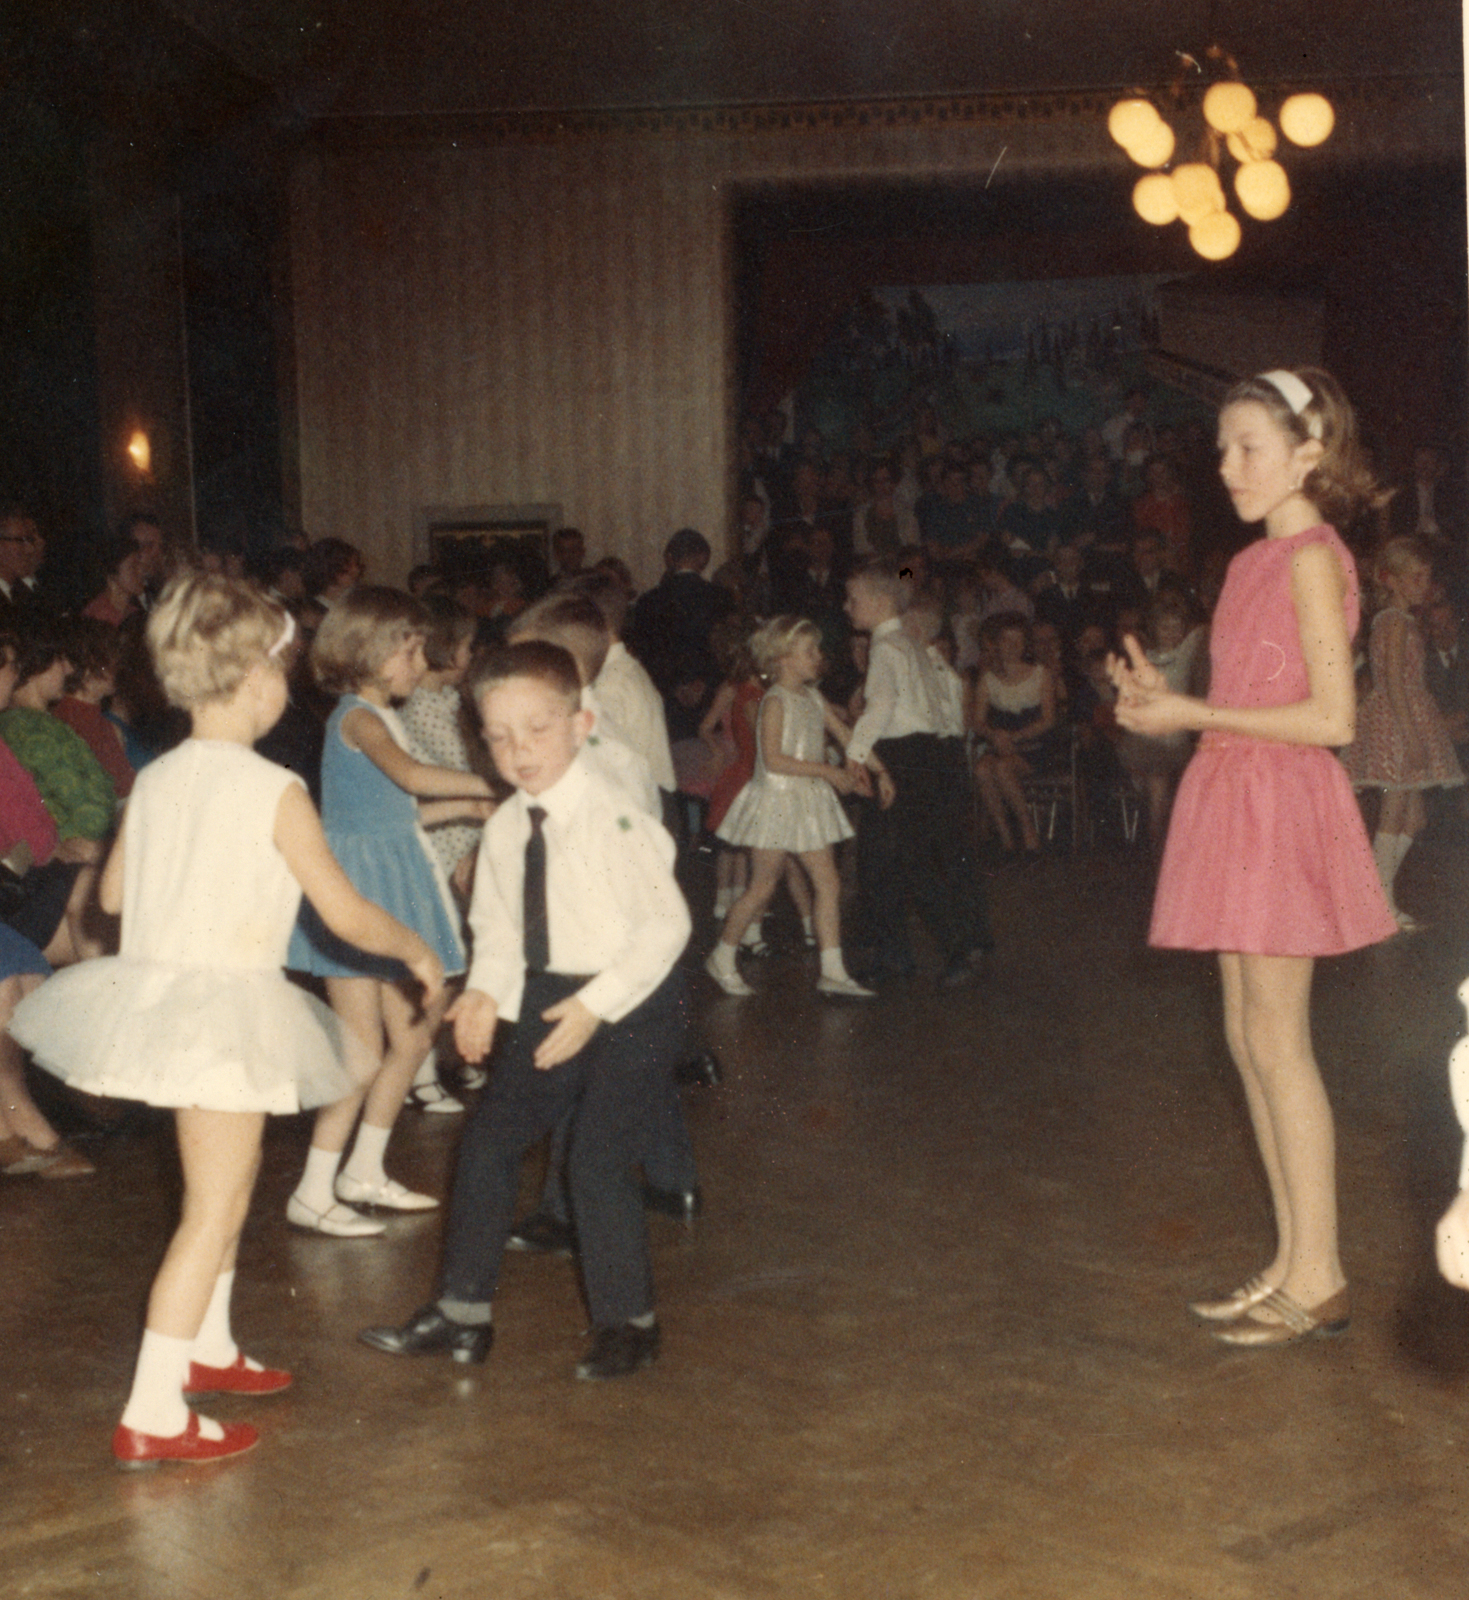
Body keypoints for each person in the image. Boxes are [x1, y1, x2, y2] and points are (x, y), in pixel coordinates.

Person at [8, 574, 444, 1466]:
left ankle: (209, 1346)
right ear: (255, 679)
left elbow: (118, 895)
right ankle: (155, 1410)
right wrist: (414, 948)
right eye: (282, 669)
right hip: (225, 1013)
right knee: (208, 1212)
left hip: (167, 1007)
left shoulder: (159, 778)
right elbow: (343, 913)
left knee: (227, 1192)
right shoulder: (273, 790)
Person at [1111, 367, 1397, 1347]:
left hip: (1280, 802)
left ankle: (1319, 1273)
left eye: (1248, 448)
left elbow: (1329, 717)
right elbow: (1247, 688)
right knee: (1245, 1039)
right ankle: (1286, 1261)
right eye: (1222, 447)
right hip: (1234, 793)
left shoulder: (1313, 556)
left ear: (1307, 453)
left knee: (1280, 1044)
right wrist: (1164, 696)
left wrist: (1190, 710)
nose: (1226, 466)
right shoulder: (1244, 564)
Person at [359, 640, 691, 1380]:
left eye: (537, 730)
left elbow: (666, 928)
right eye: (499, 736)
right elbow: (502, 929)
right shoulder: (509, 824)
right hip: (549, 994)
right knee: (489, 1143)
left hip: (631, 999)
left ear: (581, 723)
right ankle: (461, 1311)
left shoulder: (612, 816)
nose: (518, 751)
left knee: (596, 1158)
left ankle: (629, 1322)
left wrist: (594, 1006)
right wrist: (483, 992)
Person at [285, 588, 493, 1237]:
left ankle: (363, 1170)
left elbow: (395, 819)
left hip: (391, 877)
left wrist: (465, 809)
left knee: (409, 1038)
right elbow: (410, 777)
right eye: (408, 648)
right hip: (359, 897)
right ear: (373, 653)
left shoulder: (380, 713)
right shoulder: (357, 717)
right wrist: (490, 784)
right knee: (361, 1052)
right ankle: (314, 1189)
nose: (418, 658)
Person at [705, 616, 877, 999]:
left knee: (828, 881)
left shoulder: (811, 696)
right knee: (763, 886)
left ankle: (833, 970)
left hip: (807, 800)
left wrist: (870, 766)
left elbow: (845, 734)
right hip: (778, 800)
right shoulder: (774, 701)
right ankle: (722, 955)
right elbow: (774, 759)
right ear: (782, 658)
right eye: (810, 651)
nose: (818, 657)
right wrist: (829, 772)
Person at [844, 556, 992, 986]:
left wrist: (855, 752)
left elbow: (883, 706)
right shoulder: (910, 646)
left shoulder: (888, 646)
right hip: (926, 757)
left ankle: (951, 948)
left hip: (902, 757)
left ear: (878, 600)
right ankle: (898, 953)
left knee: (903, 860)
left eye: (853, 599)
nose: (847, 607)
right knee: (888, 860)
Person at [1341, 538, 1464, 928]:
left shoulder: (1405, 619)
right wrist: (1411, 736)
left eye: (1426, 576)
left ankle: (1380, 894)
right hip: (1397, 720)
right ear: (1390, 579)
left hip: (1409, 714)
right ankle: (1378, 904)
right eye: (1415, 576)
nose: (1423, 583)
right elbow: (1392, 681)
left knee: (1415, 817)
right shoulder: (1393, 621)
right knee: (1395, 811)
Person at [970, 613, 1061, 855]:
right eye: (1006, 641)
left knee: (1002, 769)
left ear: (1026, 644)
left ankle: (1029, 833)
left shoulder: (1040, 674)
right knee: (981, 769)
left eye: (1018, 641)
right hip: (1001, 745)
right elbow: (977, 722)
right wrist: (994, 734)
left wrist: (1016, 737)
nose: (1012, 647)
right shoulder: (988, 678)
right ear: (998, 644)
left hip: (1035, 747)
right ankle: (1006, 838)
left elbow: (1049, 720)